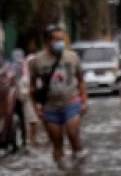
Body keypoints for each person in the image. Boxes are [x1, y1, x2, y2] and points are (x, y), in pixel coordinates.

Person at [30, 25, 88, 165]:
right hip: (50, 107)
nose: (60, 42)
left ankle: (79, 167)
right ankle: (61, 174)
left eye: (62, 39)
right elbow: (32, 86)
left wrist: (84, 100)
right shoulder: (37, 61)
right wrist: (36, 107)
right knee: (57, 143)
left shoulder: (72, 57)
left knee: (73, 133)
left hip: (71, 102)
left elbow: (81, 80)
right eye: (56, 40)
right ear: (47, 42)